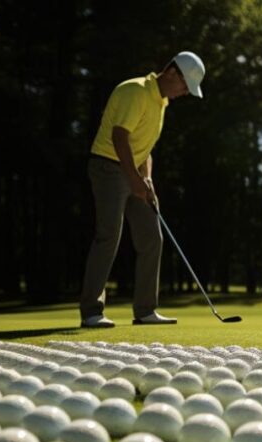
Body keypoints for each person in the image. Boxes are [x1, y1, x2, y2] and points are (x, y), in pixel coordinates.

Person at [79, 51, 205, 328]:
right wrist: (133, 179)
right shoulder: (135, 91)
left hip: (132, 170)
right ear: (171, 73)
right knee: (108, 236)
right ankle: (91, 311)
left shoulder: (161, 102)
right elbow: (119, 137)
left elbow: (144, 148)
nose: (184, 93)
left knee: (152, 237)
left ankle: (146, 310)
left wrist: (147, 180)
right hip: (108, 167)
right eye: (185, 86)